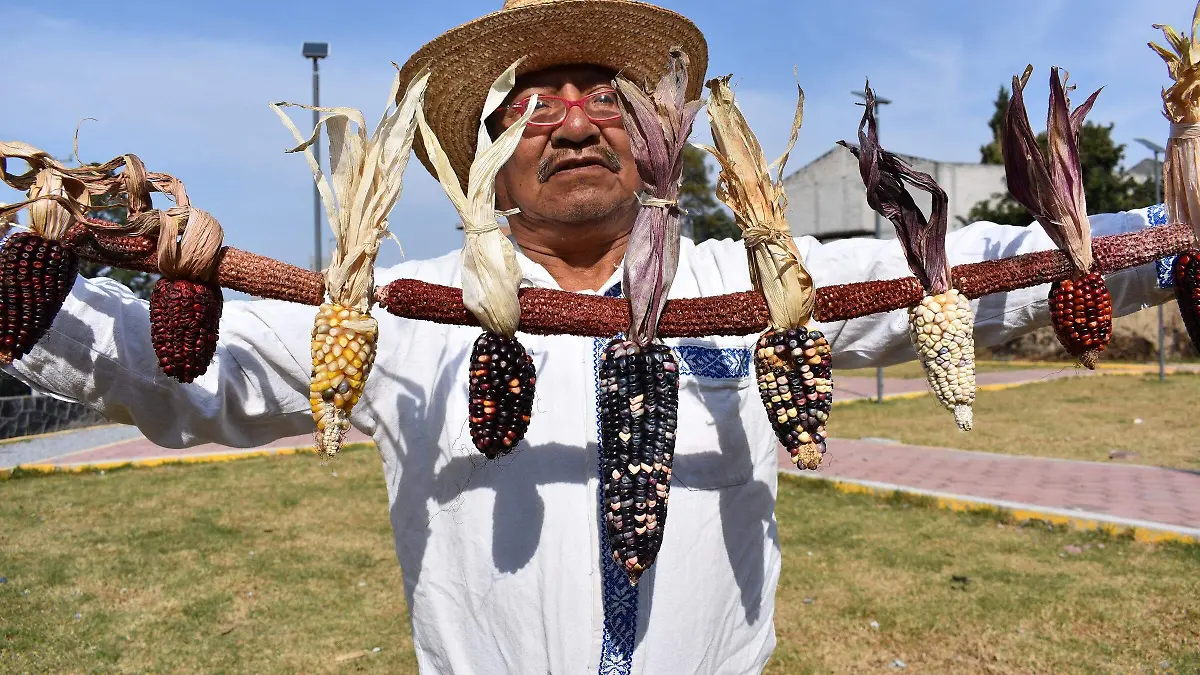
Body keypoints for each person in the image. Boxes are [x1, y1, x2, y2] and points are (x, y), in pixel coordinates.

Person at [5, 0, 1172, 673]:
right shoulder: (397, 305)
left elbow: (986, 274)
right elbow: (148, 374)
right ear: (483, 154)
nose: (575, 119)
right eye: (536, 100)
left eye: (605, 95)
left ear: (656, 135)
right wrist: (36, 268)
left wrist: (1171, 228)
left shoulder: (751, 280)